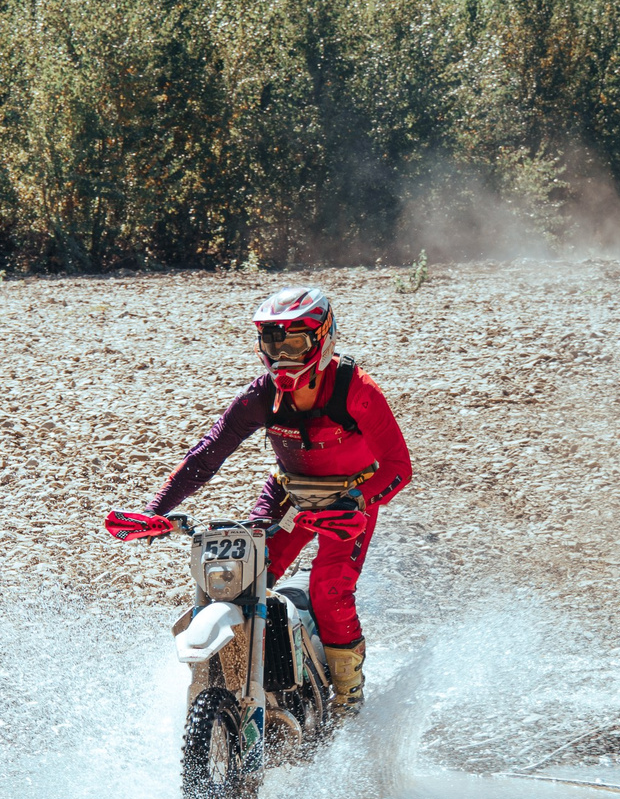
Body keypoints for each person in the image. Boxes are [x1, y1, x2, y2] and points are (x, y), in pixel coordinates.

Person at [104, 286, 411, 714]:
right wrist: (156, 510)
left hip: (349, 500)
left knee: (329, 589)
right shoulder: (260, 395)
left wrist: (357, 503)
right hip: (288, 492)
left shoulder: (357, 389)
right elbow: (207, 455)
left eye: (294, 341)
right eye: (273, 341)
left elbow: (398, 467)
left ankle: (347, 699)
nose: (282, 355)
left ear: (322, 338)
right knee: (241, 578)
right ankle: (249, 676)